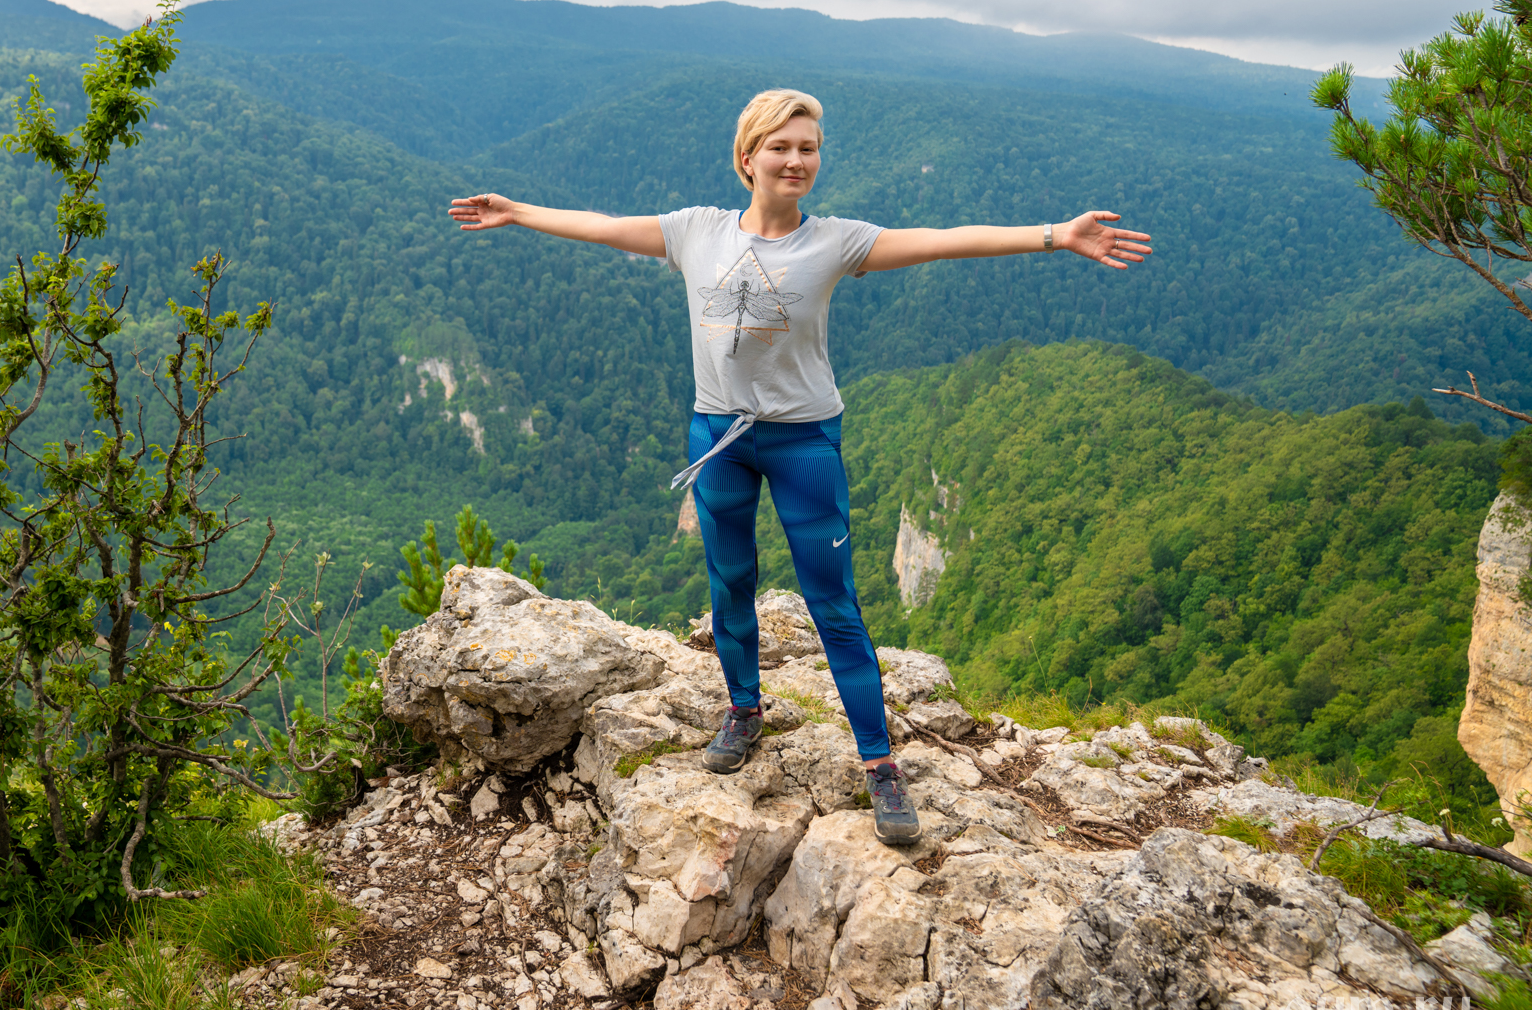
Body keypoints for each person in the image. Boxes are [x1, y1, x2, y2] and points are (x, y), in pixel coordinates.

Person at [448, 88, 1151, 843]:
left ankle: (880, 763)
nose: (796, 160)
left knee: (833, 603)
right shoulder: (695, 231)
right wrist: (518, 212)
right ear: (747, 157)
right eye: (780, 147)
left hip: (804, 441)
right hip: (719, 436)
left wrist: (1056, 235)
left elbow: (943, 239)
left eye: (808, 148)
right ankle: (743, 709)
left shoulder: (836, 243)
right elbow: (604, 226)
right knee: (730, 583)